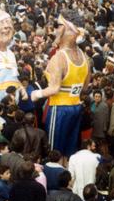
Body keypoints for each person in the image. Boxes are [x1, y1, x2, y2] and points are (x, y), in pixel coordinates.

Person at [31, 11, 89, 158]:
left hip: (59, 108)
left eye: (57, 25)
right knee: (69, 151)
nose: (54, 28)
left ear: (66, 29)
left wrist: (36, 94)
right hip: (76, 106)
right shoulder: (84, 56)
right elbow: (85, 88)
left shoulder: (59, 57)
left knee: (54, 151)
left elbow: (55, 88)